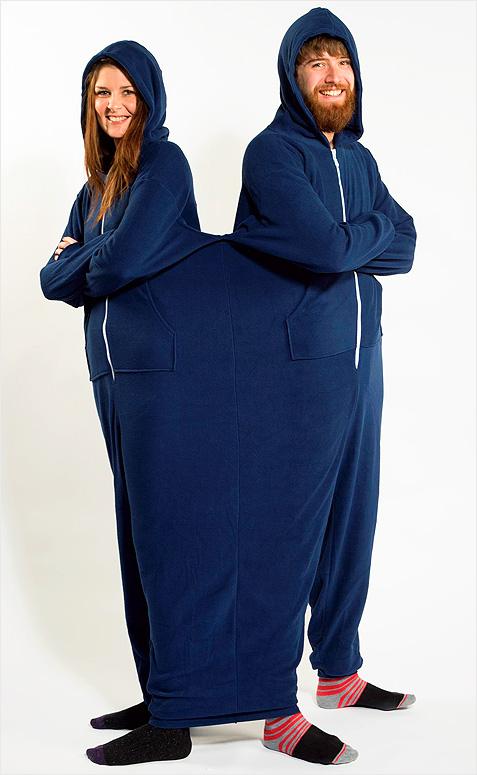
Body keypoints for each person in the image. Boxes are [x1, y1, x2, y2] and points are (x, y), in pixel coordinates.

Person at [40, 39, 360, 767]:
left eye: (126, 92)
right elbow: (49, 279)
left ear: (149, 97)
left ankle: (188, 716)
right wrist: (88, 260)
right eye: (101, 94)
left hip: (163, 372)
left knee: (171, 538)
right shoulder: (97, 189)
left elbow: (117, 263)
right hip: (115, 376)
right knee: (137, 540)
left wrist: (84, 259)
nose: (114, 105)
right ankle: (164, 694)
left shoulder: (163, 165)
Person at [229, 3, 417, 748]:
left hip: (363, 364)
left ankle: (338, 672)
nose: (332, 74)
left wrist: (353, 238)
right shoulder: (270, 154)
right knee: (290, 532)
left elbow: (407, 247)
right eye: (315, 62)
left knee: (351, 521)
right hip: (296, 367)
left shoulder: (361, 162)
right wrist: (361, 237)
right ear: (292, 77)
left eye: (341, 61)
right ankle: (273, 706)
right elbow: (326, 250)